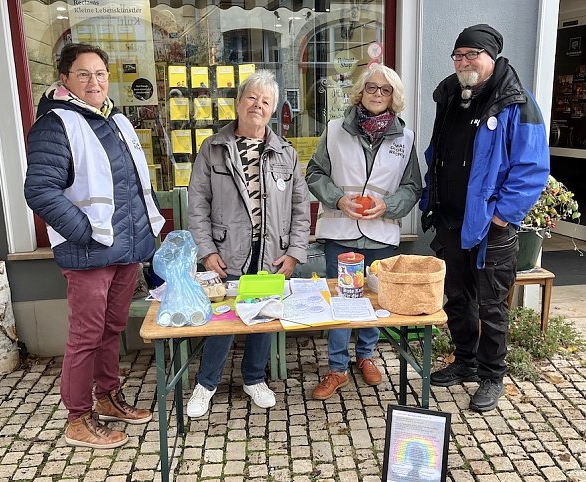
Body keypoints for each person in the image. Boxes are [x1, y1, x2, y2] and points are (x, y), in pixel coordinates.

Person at [24, 43, 165, 448]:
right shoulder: (56, 124)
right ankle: (77, 418)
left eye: (100, 73)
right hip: (90, 251)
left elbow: (135, 185)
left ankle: (107, 397)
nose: (94, 81)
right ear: (64, 78)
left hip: (124, 248)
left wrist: (146, 235)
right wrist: (84, 233)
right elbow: (40, 191)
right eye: (83, 74)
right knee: (86, 335)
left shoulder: (113, 119)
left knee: (112, 329)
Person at [420, 24, 550, 412]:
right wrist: (432, 198)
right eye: (458, 55)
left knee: (492, 305)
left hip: (490, 226)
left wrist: (502, 217)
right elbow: (437, 153)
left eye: (471, 54)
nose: (463, 62)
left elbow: (531, 168)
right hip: (451, 218)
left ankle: (493, 376)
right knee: (457, 297)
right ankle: (465, 362)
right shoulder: (451, 95)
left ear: (491, 57)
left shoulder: (516, 101)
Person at [186, 70, 310, 417]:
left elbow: (301, 208)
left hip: (273, 252)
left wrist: (295, 252)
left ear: (272, 110)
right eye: (251, 98)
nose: (258, 105)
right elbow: (197, 204)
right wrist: (207, 250)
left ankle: (254, 378)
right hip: (226, 252)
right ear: (239, 103)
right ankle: (206, 383)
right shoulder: (212, 148)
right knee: (222, 319)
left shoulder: (285, 153)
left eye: (265, 101)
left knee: (265, 315)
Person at [306, 64, 421, 400]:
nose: (377, 95)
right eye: (371, 88)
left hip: (381, 234)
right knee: (342, 300)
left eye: (385, 90)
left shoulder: (406, 137)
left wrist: (389, 205)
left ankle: (367, 355)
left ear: (394, 97)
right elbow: (315, 174)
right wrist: (337, 199)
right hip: (341, 232)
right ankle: (337, 367)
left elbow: (413, 186)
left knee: (374, 299)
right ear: (360, 92)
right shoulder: (334, 130)